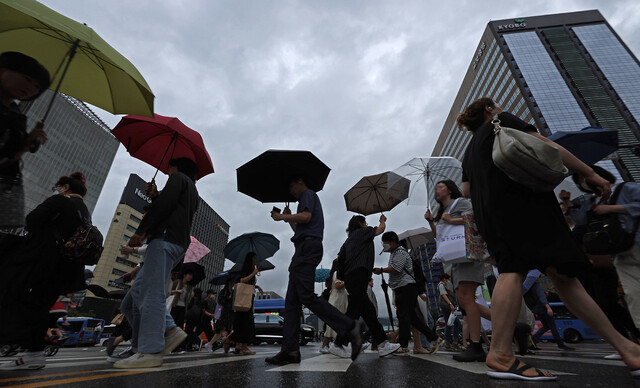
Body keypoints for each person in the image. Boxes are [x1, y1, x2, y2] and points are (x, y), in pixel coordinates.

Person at [458, 96, 640, 381]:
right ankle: (502, 353)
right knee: (558, 274)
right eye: (496, 106)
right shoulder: (501, 122)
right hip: (525, 204)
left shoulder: (469, 151)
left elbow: (467, 191)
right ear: (489, 110)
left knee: (524, 269)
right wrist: (589, 172)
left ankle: (627, 348)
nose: (500, 109)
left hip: (490, 213)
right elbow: (547, 145)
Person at [114, 157, 199, 369]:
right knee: (140, 292)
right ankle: (166, 331)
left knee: (151, 292)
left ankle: (150, 349)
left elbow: (165, 206)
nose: (168, 171)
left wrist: (141, 231)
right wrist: (155, 195)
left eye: (170, 167)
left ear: (177, 168)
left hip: (163, 239)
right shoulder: (193, 191)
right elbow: (171, 206)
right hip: (176, 242)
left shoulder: (177, 178)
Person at [267, 176, 362, 365]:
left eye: (291, 185)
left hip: (307, 249)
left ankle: (350, 327)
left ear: (300, 181)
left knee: (306, 296)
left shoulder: (307, 194)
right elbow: (301, 229)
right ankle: (290, 350)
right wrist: (288, 220)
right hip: (304, 247)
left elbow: (306, 217)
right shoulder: (305, 198)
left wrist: (282, 216)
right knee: (291, 304)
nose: (291, 191)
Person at [0, 172, 90, 370]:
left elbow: (32, 220)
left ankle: (29, 349)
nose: (57, 190)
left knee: (20, 299)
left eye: (58, 187)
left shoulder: (60, 201)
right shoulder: (85, 212)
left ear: (66, 187)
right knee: (39, 306)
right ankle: (34, 353)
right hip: (67, 269)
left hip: (42, 262)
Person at [425, 180, 490, 362]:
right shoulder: (442, 211)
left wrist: (451, 219)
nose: (437, 190)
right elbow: (440, 237)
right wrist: (432, 222)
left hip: (469, 254)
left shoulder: (460, 202)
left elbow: (475, 219)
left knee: (467, 298)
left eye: (440, 186)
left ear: (450, 189)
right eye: (436, 187)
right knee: (463, 300)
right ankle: (507, 323)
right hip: (457, 259)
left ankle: (476, 345)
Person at [333, 215, 400, 358]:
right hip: (359, 274)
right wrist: (383, 220)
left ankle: (382, 343)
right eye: (365, 222)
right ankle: (338, 343)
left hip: (351, 277)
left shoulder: (348, 241)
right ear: (360, 223)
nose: (367, 224)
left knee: (368, 311)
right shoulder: (363, 232)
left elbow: (340, 259)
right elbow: (380, 230)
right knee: (353, 312)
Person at [0, 52, 50, 230]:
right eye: (27, 78)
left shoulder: (16, 115)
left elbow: (7, 157)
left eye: (37, 87)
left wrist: (26, 144)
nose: (31, 88)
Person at [374, 232, 444, 356]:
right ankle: (435, 339)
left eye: (385, 243)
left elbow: (397, 269)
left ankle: (403, 346)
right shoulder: (395, 253)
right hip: (403, 287)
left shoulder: (400, 252)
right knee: (412, 318)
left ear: (393, 242)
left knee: (404, 317)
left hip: (406, 288)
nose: (384, 245)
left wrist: (381, 270)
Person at [526, 278, 574, 350]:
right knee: (552, 327)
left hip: (537, 309)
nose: (539, 279)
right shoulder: (537, 286)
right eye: (538, 277)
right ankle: (560, 344)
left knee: (546, 326)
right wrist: (548, 307)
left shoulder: (529, 287)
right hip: (543, 308)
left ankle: (533, 339)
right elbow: (542, 297)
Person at [232, 252, 259, 356]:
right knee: (246, 322)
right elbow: (242, 280)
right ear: (251, 259)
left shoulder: (250, 269)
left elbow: (249, 283)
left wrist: (257, 287)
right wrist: (253, 273)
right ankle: (243, 347)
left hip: (245, 298)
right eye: (255, 258)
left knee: (241, 321)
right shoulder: (246, 270)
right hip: (245, 299)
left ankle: (239, 346)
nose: (256, 260)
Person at [320, 259, 349, 354]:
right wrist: (348, 280)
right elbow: (338, 285)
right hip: (337, 300)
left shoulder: (337, 273)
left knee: (333, 323)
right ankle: (335, 345)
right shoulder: (338, 273)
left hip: (338, 299)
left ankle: (326, 345)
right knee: (335, 323)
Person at [204, 279, 235, 353]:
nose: (233, 283)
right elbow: (220, 301)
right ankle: (226, 347)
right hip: (224, 314)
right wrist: (228, 298)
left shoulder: (233, 291)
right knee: (224, 331)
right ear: (228, 282)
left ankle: (210, 344)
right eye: (232, 282)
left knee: (220, 332)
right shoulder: (224, 291)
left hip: (229, 313)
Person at [438, 274, 462, 351]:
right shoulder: (441, 285)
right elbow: (444, 295)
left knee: (449, 324)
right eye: (447, 279)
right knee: (456, 324)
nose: (447, 281)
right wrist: (450, 304)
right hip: (447, 308)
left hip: (446, 308)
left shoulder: (444, 286)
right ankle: (453, 341)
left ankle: (449, 343)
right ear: (444, 279)